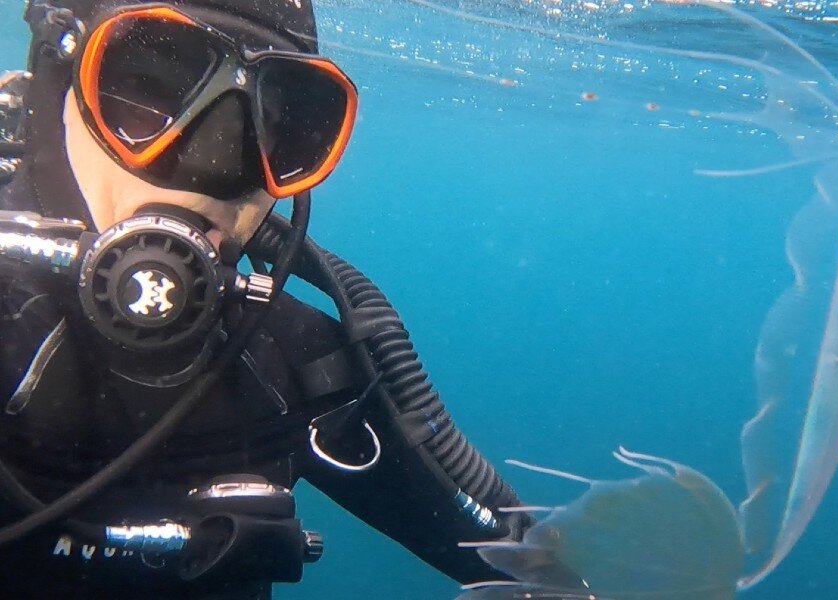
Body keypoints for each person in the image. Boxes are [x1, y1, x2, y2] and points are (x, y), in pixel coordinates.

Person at [0, 1, 545, 597]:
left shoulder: (297, 366)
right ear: (60, 75)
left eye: (275, 123)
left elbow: (527, 567)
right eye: (148, 89)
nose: (211, 164)